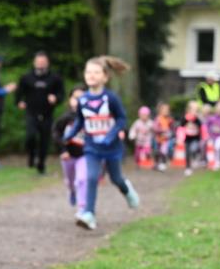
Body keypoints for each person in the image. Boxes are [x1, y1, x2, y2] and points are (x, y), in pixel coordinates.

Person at [63, 56, 139, 230]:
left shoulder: (111, 98)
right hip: (92, 148)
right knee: (91, 177)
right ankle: (89, 214)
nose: (91, 75)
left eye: (96, 72)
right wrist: (70, 135)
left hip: (112, 148)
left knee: (116, 179)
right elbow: (80, 122)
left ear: (105, 77)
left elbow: (121, 119)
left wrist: (111, 135)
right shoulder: (83, 100)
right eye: (88, 72)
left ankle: (126, 190)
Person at [15, 51, 64, 174]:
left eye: (43, 62)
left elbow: (61, 94)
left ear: (47, 63)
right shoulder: (26, 77)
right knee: (30, 136)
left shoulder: (55, 78)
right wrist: (19, 102)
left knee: (44, 140)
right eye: (39, 62)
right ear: (34, 63)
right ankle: (31, 156)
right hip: (31, 112)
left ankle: (41, 165)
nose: (41, 64)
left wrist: (56, 98)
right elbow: (19, 94)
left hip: (47, 113)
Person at [53, 86, 88, 214]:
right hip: (68, 156)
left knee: (82, 180)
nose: (79, 101)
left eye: (82, 98)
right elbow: (56, 134)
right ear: (70, 100)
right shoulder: (65, 118)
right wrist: (62, 150)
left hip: (84, 155)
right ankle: (72, 192)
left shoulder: (90, 117)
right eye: (75, 98)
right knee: (71, 181)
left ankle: (82, 208)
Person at [181, 100, 203, 177]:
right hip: (187, 138)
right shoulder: (185, 118)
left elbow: (200, 126)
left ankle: (195, 159)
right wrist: (187, 121)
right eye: (192, 109)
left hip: (195, 138)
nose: (194, 111)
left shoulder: (197, 119)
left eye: (196, 110)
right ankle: (188, 167)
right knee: (187, 153)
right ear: (189, 110)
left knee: (194, 149)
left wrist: (195, 120)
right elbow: (182, 125)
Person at [152, 102, 175, 172]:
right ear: (160, 110)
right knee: (157, 152)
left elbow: (173, 128)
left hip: (166, 140)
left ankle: (163, 163)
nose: (166, 111)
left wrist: (171, 132)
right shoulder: (158, 119)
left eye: (167, 110)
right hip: (158, 139)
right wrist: (162, 130)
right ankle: (156, 164)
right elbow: (155, 128)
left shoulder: (170, 119)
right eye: (164, 110)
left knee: (164, 151)